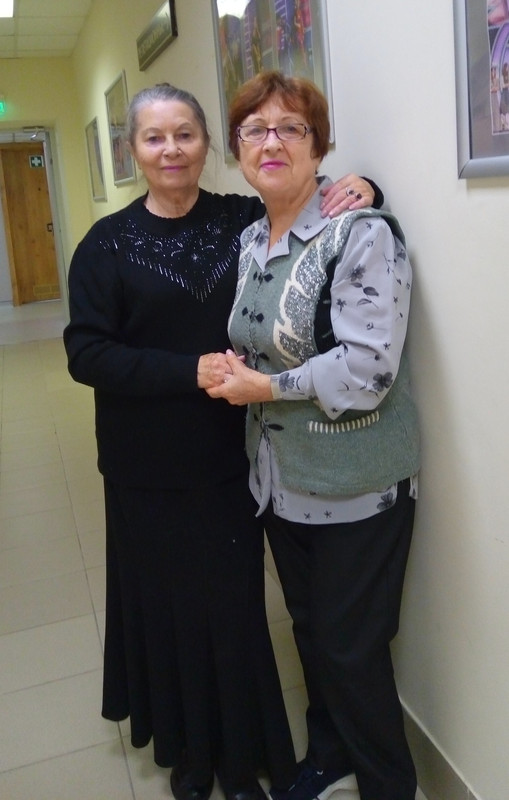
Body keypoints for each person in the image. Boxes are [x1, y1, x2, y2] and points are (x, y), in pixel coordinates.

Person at [63, 82, 382, 800]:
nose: (171, 149)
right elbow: (86, 353)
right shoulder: (105, 245)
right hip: (145, 464)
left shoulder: (241, 218)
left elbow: (310, 199)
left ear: (209, 144)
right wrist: (187, 371)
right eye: (154, 137)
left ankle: (244, 755)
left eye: (185, 134)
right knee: (169, 609)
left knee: (234, 610)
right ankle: (189, 752)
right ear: (133, 150)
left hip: (231, 456)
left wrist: (366, 186)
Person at [207, 71, 420, 800]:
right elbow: (264, 339)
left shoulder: (361, 232)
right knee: (309, 630)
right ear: (237, 148)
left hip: (357, 483)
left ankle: (388, 784)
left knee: (351, 651)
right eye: (254, 130)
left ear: (319, 147)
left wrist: (263, 388)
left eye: (290, 128)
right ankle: (329, 758)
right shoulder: (249, 239)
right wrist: (234, 367)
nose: (271, 142)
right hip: (281, 479)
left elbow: (368, 368)